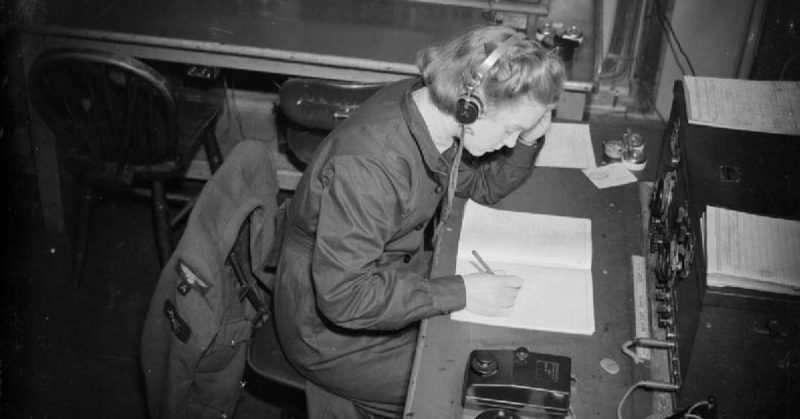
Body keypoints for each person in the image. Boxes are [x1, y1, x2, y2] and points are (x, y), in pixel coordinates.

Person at [272, 25, 566, 418]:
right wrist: (460, 292)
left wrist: (529, 141)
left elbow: (480, 186)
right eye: (512, 129)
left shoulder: (431, 113)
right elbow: (344, 298)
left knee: (494, 351)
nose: (511, 141)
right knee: (471, 384)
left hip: (387, 279)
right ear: (470, 105)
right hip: (330, 335)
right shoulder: (374, 166)